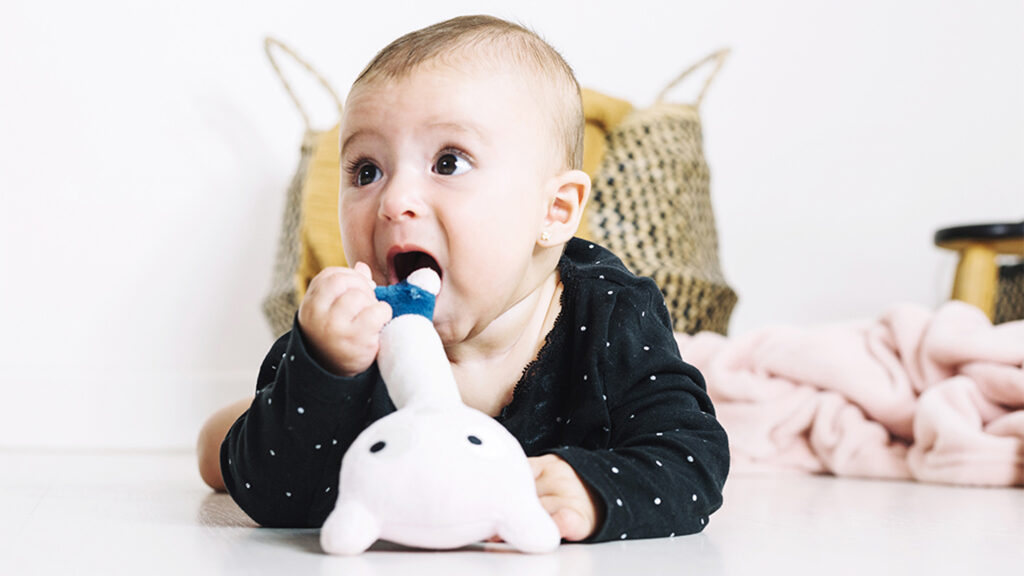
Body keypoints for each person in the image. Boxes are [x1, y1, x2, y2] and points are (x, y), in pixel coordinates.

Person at [197, 14, 729, 544]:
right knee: (218, 452)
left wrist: (596, 491)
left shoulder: (612, 315)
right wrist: (323, 369)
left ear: (555, 212)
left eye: (448, 163)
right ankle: (228, 424)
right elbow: (277, 499)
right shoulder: (355, 333)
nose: (394, 202)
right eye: (366, 171)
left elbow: (693, 456)